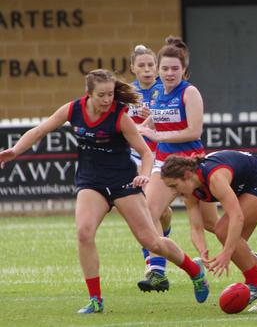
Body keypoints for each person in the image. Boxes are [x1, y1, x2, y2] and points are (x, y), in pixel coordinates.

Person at [0, 69, 209, 314]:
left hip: (123, 182)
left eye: (110, 94)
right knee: (84, 233)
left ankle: (195, 272)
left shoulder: (119, 116)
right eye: (102, 95)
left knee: (151, 241)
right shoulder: (73, 109)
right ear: (88, 94)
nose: (107, 99)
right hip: (91, 182)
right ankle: (96, 300)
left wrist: (143, 173)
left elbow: (145, 152)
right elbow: (39, 131)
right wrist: (15, 151)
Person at [159, 150, 257, 312]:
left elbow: (237, 217)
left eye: (174, 186)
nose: (174, 192)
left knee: (223, 232)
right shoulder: (190, 190)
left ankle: (256, 284)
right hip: (247, 187)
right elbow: (196, 227)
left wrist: (227, 252)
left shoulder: (215, 177)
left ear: (187, 175)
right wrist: (202, 250)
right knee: (239, 249)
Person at [136, 36, 207, 292]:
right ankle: (157, 271)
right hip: (164, 165)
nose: (169, 73)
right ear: (157, 69)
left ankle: (250, 258)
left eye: (175, 68)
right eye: (164, 68)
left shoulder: (190, 92)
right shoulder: (156, 92)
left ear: (184, 70)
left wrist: (159, 136)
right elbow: (153, 124)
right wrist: (137, 129)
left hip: (192, 165)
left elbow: (194, 131)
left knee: (211, 224)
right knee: (148, 212)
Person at [126, 44, 174, 277]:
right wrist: (139, 126)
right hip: (138, 156)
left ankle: (164, 237)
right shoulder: (126, 93)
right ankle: (153, 264)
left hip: (163, 155)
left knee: (163, 212)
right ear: (132, 68)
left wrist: (154, 119)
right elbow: (122, 127)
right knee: (146, 208)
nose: (147, 70)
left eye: (150, 65)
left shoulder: (164, 90)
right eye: (141, 65)